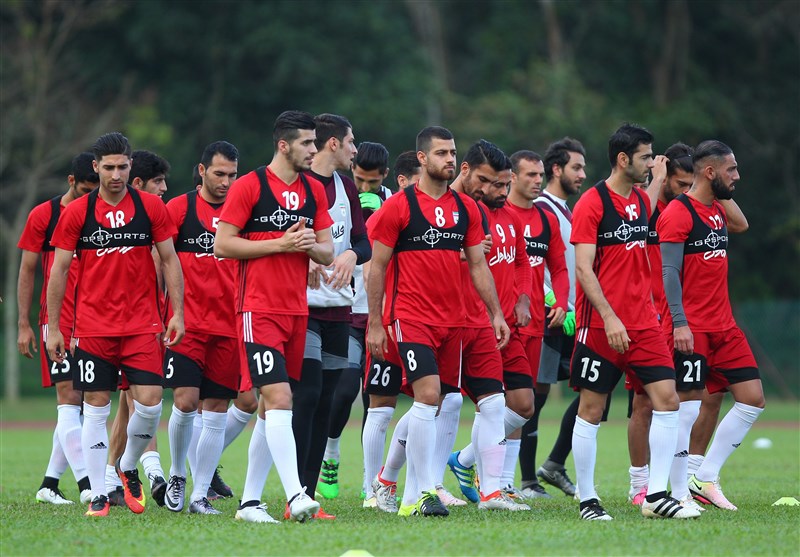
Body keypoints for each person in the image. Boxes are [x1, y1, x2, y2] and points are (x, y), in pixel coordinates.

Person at [366, 126, 509, 517]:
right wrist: (375, 322)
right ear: (423, 159)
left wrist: (495, 312)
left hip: (454, 322)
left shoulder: (467, 210)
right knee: (427, 396)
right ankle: (420, 494)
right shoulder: (398, 207)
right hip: (410, 318)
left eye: (452, 152)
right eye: (442, 153)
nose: (449, 159)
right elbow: (376, 267)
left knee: (438, 401)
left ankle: (392, 482)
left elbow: (478, 265)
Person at [46, 132, 185, 517]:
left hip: (143, 325)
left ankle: (126, 464)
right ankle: (98, 496)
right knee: (95, 406)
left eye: (122, 166)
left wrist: (178, 312)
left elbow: (170, 260)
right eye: (108, 167)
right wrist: (54, 327)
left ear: (129, 166)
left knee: (152, 403)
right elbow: (58, 270)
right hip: (93, 327)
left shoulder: (151, 208)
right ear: (96, 167)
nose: (116, 174)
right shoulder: (77, 213)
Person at [569, 123, 699, 520]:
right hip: (601, 326)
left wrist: (659, 177)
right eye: (645, 156)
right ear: (623, 159)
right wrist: (609, 317)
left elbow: (654, 192)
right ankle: (587, 499)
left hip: (643, 325)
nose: (651, 162)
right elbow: (583, 269)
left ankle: (655, 496)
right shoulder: (591, 203)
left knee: (668, 401)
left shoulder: (642, 203)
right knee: (591, 409)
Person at [214, 110, 333, 523]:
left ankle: (249, 503)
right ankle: (296, 493)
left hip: (296, 310)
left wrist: (304, 245)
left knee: (269, 408)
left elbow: (327, 251)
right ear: (283, 145)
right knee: (280, 398)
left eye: (315, 143)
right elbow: (223, 245)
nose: (314, 150)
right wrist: (280, 244)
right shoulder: (249, 186)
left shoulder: (314, 190)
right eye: (307, 143)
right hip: (257, 309)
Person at [658, 140, 763, 511]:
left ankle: (704, 476)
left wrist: (722, 188)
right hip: (693, 328)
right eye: (730, 170)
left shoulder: (717, 209)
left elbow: (742, 224)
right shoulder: (677, 213)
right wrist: (680, 322)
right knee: (686, 410)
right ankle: (676, 491)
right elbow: (668, 271)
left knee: (752, 399)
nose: (737, 176)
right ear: (709, 171)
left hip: (724, 326)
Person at [446, 141, 534, 511]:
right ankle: (396, 484)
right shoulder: (466, 215)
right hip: (467, 323)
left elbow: (521, 264)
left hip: (502, 325)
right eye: (495, 185)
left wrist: (524, 297)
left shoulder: (511, 220)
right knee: (467, 404)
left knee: (523, 403)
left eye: (503, 185)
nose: (499, 192)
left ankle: (465, 461)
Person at [291, 113, 370, 519]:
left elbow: (362, 240)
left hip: (339, 309)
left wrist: (351, 254)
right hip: (299, 309)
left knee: (325, 401)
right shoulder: (297, 186)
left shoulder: (346, 187)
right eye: (352, 142)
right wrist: (301, 257)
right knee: (303, 397)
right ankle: (293, 493)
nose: (356, 150)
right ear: (333, 144)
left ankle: (308, 494)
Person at [162, 140, 241, 515]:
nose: (226, 182)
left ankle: (199, 495)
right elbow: (160, 263)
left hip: (229, 325)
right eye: (219, 174)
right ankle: (178, 474)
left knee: (216, 408)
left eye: (233, 175)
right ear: (201, 170)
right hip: (187, 324)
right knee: (185, 401)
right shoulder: (178, 209)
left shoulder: (243, 211)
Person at [17, 152, 98, 506]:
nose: (89, 198)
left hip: (94, 321)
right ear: (70, 182)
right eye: (83, 190)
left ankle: (49, 484)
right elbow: (27, 270)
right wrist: (24, 323)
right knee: (69, 399)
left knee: (81, 405)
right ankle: (87, 487)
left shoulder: (100, 215)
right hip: (58, 321)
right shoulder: (44, 216)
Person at [322, 141, 391, 502]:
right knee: (344, 390)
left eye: (372, 182)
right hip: (348, 312)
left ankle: (370, 480)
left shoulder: (394, 202)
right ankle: (331, 452)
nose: (365, 188)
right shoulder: (341, 198)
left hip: (380, 316)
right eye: (359, 180)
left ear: (385, 178)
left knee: (374, 399)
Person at [104, 149, 171, 508]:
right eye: (159, 182)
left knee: (130, 405)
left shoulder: (155, 220)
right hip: (125, 325)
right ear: (140, 183)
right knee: (138, 399)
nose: (164, 189)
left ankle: (113, 475)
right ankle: (151, 468)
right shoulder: (133, 223)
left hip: (151, 324)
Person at [505, 150, 569, 499]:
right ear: (512, 177)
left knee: (521, 405)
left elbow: (559, 268)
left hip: (534, 327)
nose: (537, 181)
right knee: (491, 402)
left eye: (540, 174)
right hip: (499, 323)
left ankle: (504, 482)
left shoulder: (546, 219)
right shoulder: (496, 214)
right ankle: (481, 472)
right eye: (529, 175)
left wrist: (559, 302)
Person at [527, 138, 587, 497]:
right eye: (576, 167)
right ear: (556, 170)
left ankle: (553, 464)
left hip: (572, 317)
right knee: (534, 394)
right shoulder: (541, 207)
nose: (582, 174)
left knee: (595, 387)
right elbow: (535, 259)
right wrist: (552, 299)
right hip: (549, 316)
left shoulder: (567, 210)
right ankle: (527, 481)